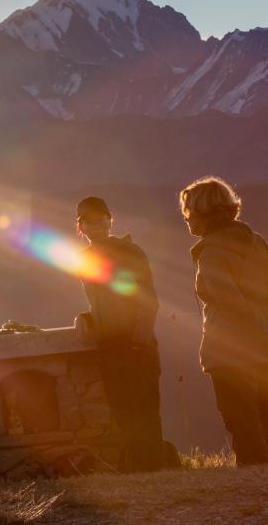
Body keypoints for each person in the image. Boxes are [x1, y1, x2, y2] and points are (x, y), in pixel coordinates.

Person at [179, 176, 268, 466]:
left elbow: (229, 302)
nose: (187, 221)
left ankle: (252, 484)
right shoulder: (256, 243)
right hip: (264, 346)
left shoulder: (212, 254)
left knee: (242, 421)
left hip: (230, 351)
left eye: (189, 214)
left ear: (205, 215)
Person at [75, 196, 164, 472]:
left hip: (136, 345)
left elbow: (147, 299)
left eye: (101, 218)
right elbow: (102, 303)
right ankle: (141, 471)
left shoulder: (129, 251)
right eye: (89, 220)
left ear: (110, 219)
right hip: (110, 346)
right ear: (81, 227)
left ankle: (155, 470)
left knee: (145, 409)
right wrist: (85, 318)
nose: (96, 224)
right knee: (123, 411)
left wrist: (139, 340)